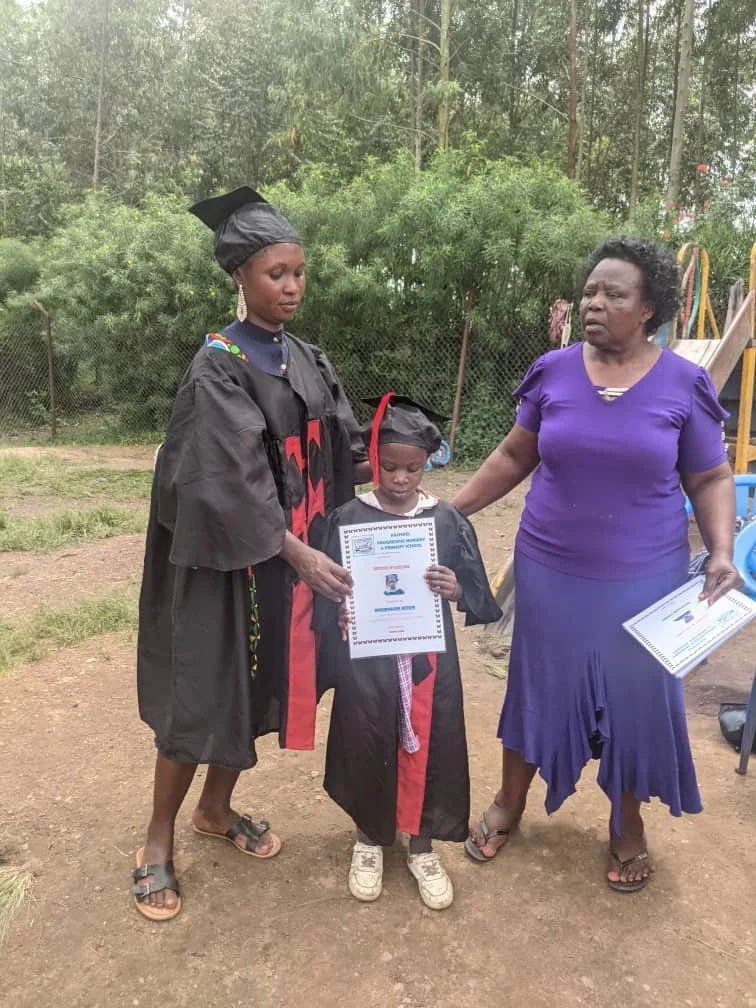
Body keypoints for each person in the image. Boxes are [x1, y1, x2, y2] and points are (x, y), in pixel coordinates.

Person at [453, 237, 742, 892]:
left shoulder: (683, 384)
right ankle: (509, 804)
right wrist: (452, 510)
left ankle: (627, 825)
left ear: (648, 308)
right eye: (590, 291)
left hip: (644, 581)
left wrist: (722, 551)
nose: (595, 303)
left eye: (614, 294)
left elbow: (710, 476)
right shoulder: (553, 372)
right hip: (550, 570)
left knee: (635, 700)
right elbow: (513, 455)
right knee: (538, 685)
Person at [133, 187, 370, 921]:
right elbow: (222, 482)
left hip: (292, 563)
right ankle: (156, 840)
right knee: (205, 690)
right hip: (228, 562)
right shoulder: (219, 365)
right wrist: (296, 553)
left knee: (258, 689)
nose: (292, 287)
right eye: (276, 274)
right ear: (240, 275)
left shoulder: (305, 357)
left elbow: (342, 447)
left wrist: (401, 468)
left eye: (299, 272)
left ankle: (215, 809)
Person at [315, 394, 501, 910]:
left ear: (428, 463)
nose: (400, 478)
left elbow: (476, 593)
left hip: (427, 661)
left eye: (412, 468)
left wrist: (454, 588)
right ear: (373, 458)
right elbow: (325, 590)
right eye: (389, 466)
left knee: (431, 744)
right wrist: (340, 611)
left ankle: (422, 847)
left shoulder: (445, 520)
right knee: (365, 738)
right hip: (367, 659)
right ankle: (369, 840)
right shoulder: (348, 517)